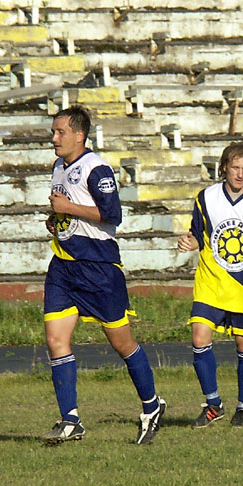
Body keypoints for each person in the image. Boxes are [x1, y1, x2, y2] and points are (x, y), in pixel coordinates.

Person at [40, 107, 165, 445]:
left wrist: (68, 210)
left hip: (98, 269)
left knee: (121, 343)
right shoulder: (58, 167)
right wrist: (57, 221)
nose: (53, 138)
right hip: (63, 267)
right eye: (53, 132)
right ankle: (70, 421)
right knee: (56, 341)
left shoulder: (97, 169)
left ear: (79, 135)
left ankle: (152, 405)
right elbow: (70, 210)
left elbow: (112, 215)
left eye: (59, 132)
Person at [177, 142, 243, 428]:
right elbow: (199, 235)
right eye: (235, 167)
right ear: (224, 167)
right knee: (199, 338)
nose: (239, 174)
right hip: (211, 279)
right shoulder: (206, 197)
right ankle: (213, 405)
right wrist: (190, 241)